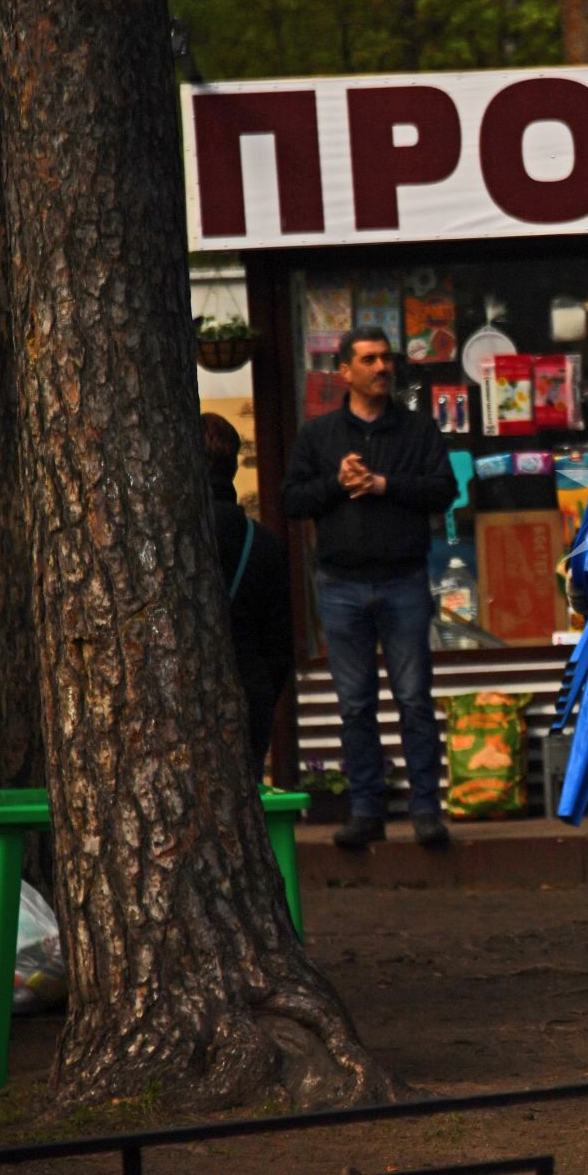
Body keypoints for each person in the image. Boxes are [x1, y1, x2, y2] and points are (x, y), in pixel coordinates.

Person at [283, 326, 457, 849]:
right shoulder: (320, 435)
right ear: (344, 372)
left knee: (414, 700)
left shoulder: (418, 429)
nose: (382, 368)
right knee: (355, 705)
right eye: (369, 360)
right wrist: (337, 483)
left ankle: (426, 809)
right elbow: (293, 501)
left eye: (386, 359)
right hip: (340, 585)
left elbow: (444, 490)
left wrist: (384, 485)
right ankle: (366, 811)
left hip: (404, 579)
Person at [203, 413, 293, 785]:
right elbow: (280, 643)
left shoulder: (168, 539)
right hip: (249, 685)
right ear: (234, 465)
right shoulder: (264, 542)